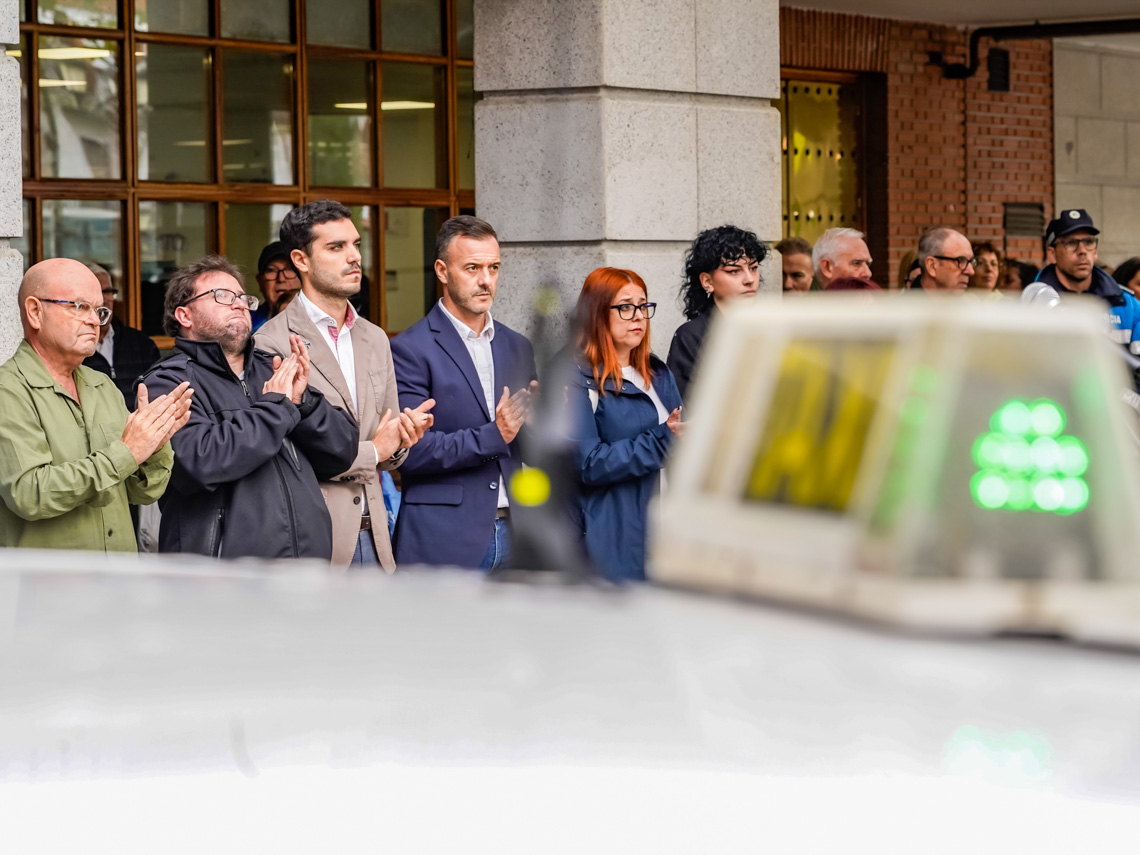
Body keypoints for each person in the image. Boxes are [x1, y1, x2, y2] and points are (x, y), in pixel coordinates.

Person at [143, 255, 359, 560]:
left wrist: (304, 404)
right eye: (222, 296)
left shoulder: (273, 368)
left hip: (307, 565)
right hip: (225, 574)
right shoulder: (166, 382)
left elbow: (342, 452)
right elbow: (198, 463)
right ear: (184, 315)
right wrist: (277, 408)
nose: (239, 304)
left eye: (243, 298)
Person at [257, 200, 434, 570]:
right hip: (316, 540)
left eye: (356, 244)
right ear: (301, 260)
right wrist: (375, 449)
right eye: (336, 247)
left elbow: (388, 445)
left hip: (379, 533)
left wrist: (403, 438)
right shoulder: (271, 343)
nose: (354, 256)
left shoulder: (375, 338)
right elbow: (290, 459)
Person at [0, 258, 191, 551]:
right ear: (35, 312)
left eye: (99, 310)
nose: (94, 320)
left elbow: (141, 493)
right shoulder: (8, 389)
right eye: (80, 307)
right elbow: (30, 493)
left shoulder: (101, 385)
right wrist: (127, 452)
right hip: (51, 579)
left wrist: (153, 445)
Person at [390, 215, 538, 571]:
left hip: (517, 532)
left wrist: (543, 424)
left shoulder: (517, 346)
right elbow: (410, 452)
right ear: (442, 271)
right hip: (444, 538)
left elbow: (527, 448)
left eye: (493, 268)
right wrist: (496, 433)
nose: (486, 280)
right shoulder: (408, 349)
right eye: (472, 268)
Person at [568, 267, 682, 582]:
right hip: (611, 538)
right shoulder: (576, 378)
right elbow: (588, 463)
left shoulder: (658, 372)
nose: (639, 317)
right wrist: (664, 440)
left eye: (643, 306)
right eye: (626, 307)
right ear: (596, 313)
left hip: (665, 533)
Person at [667, 225, 766, 402]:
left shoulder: (769, 327)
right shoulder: (690, 336)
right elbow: (687, 407)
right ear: (707, 281)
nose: (750, 279)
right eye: (734, 271)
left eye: (753, 268)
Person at [1036, 209, 1140, 359]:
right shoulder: (1031, 305)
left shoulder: (1128, 305)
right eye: (1071, 243)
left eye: (1088, 242)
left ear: (1095, 251)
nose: (1082, 251)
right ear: (1052, 254)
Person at [82, 263, 161, 408]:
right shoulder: (74, 346)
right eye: (97, 291)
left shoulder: (142, 343)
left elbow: (158, 393)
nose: (104, 299)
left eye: (108, 291)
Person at [250, 241, 301, 331]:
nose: (281, 279)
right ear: (260, 282)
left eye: (289, 269)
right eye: (271, 270)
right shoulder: (247, 323)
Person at [913, 227, 975, 292]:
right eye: (961, 260)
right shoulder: (908, 299)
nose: (971, 271)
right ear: (932, 266)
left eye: (971, 261)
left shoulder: (972, 298)